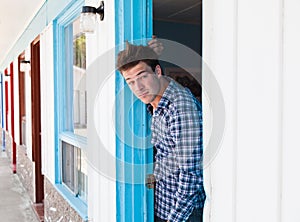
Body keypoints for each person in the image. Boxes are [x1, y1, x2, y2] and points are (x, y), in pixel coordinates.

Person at [117, 40, 206, 222]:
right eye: (131, 82)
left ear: (157, 71)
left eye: (142, 77)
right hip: (162, 206)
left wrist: (173, 219)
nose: (138, 88)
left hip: (182, 215)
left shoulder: (180, 107)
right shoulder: (157, 102)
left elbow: (191, 175)